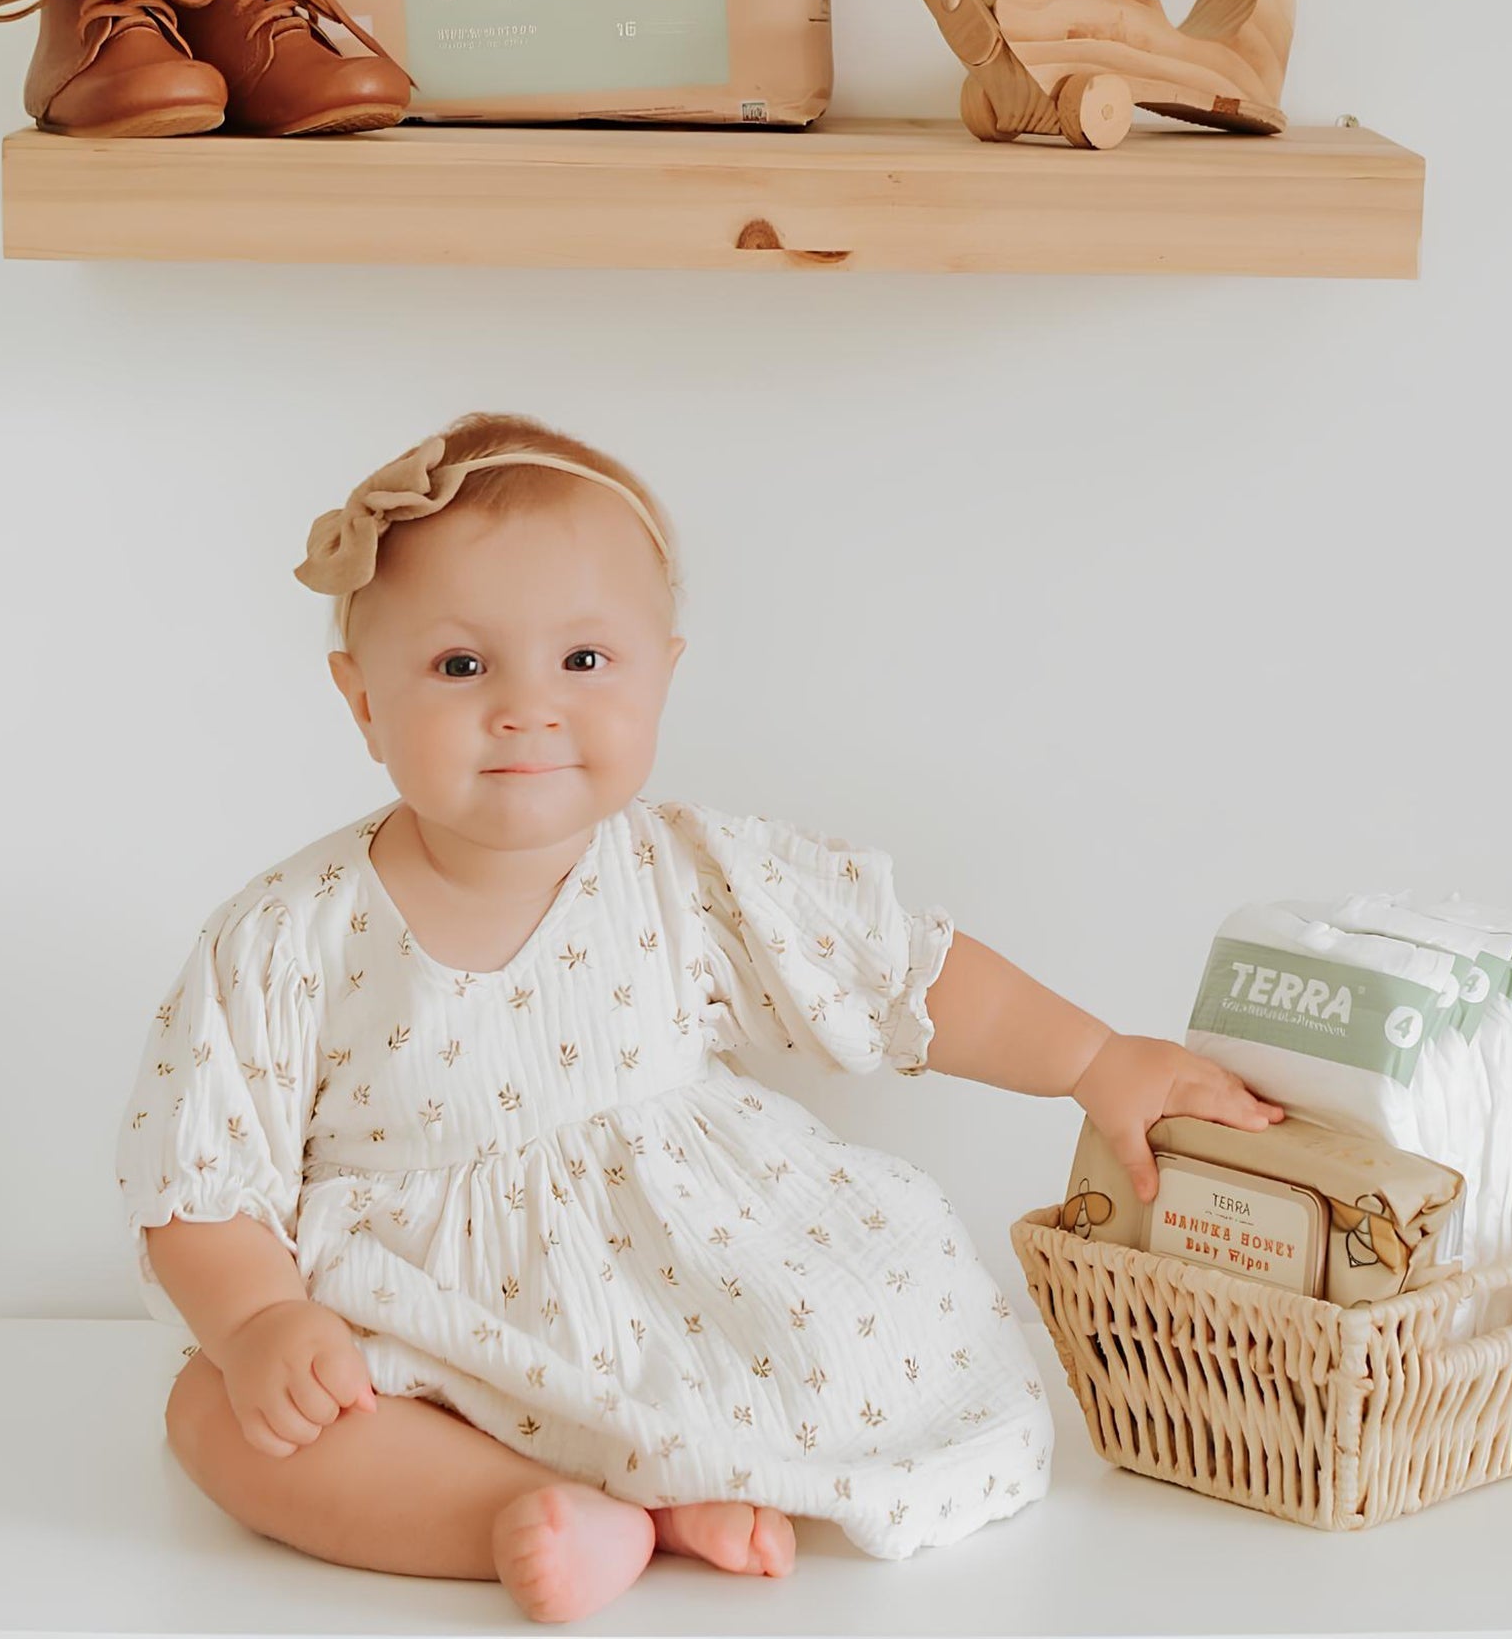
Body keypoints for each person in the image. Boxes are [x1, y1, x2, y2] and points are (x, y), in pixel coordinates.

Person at [116, 410, 1286, 1623]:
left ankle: (671, 1478)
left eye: (582, 660)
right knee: (217, 1413)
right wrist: (259, 1318)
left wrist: (1092, 1058)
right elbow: (199, 1177)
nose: (527, 708)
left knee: (877, 1310)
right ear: (360, 699)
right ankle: (539, 1507)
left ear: (662, 671)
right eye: (461, 667)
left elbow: (898, 972)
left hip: (677, 1292)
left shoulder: (685, 871)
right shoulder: (285, 933)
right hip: (419, 1335)